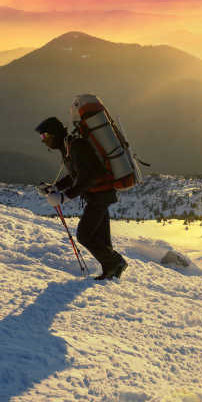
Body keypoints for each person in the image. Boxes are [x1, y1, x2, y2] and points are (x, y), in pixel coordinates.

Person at [35, 116, 128, 280]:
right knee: (101, 237)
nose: (43, 141)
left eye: (45, 136)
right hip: (99, 194)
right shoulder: (69, 147)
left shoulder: (77, 146)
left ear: (54, 134)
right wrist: (55, 187)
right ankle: (111, 271)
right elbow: (76, 175)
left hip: (99, 196)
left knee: (84, 235)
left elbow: (89, 177)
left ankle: (115, 262)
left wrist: (64, 197)